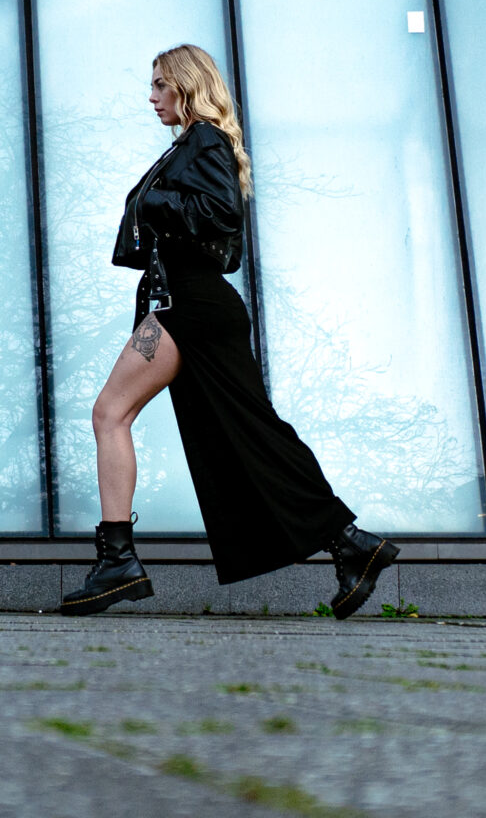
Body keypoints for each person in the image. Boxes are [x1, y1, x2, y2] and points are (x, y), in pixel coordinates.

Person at [60, 44, 398, 620]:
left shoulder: (204, 140)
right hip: (187, 307)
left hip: (190, 307)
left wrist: (157, 201)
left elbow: (221, 215)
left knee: (111, 414)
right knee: (248, 431)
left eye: (160, 85)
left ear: (187, 85)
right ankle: (350, 543)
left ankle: (118, 562)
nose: (151, 97)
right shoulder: (196, 145)